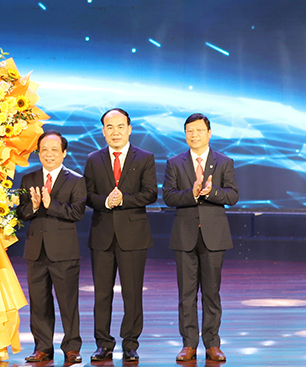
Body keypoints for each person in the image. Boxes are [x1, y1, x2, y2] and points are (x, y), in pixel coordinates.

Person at [162, 113, 239, 363]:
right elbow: (169, 197)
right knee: (186, 293)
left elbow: (232, 196)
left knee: (211, 293)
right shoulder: (174, 163)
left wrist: (211, 191)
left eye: (198, 130)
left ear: (209, 133)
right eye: (189, 131)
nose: (193, 135)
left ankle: (212, 343)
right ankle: (189, 344)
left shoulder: (224, 162)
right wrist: (191, 193)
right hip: (184, 237)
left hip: (214, 237)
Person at [84, 108, 157, 363]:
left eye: (120, 126)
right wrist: (104, 201)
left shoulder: (145, 157)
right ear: (103, 131)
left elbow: (150, 193)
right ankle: (103, 344)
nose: (115, 132)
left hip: (133, 236)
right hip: (102, 235)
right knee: (102, 294)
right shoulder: (93, 158)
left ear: (129, 128)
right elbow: (87, 196)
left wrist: (124, 199)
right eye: (109, 127)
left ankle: (130, 343)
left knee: (132, 293)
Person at [17, 130, 86, 364]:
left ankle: (71, 348)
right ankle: (43, 347)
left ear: (64, 153)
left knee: (68, 302)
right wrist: (35, 207)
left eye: (54, 150)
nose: (49, 154)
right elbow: (21, 213)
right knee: (39, 303)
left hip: (64, 252)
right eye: (44, 149)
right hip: (36, 251)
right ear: (38, 152)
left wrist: (51, 204)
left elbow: (77, 213)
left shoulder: (76, 180)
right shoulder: (28, 179)